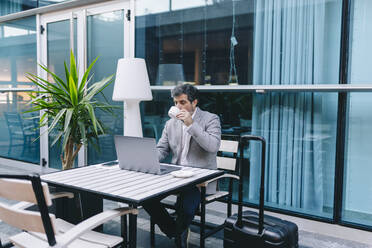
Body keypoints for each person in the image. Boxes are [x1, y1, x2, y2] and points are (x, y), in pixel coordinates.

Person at [143, 84, 221, 248]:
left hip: (200, 181)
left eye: (183, 102)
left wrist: (191, 124)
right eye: (176, 102)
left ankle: (177, 233)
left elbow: (213, 146)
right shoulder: (170, 124)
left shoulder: (210, 119)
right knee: (145, 197)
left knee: (186, 207)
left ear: (194, 102)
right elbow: (161, 149)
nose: (178, 106)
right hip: (175, 177)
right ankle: (174, 231)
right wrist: (148, 159)